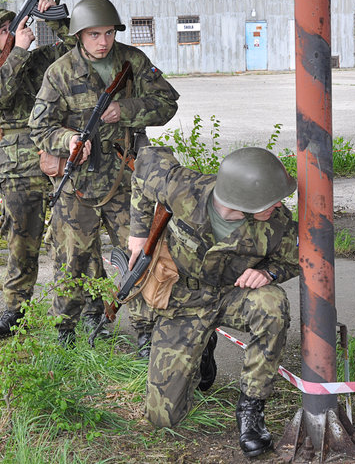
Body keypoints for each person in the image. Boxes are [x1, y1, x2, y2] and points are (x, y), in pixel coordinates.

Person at [128, 146, 299, 458]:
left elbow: (294, 259)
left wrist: (269, 272)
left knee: (272, 304)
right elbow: (144, 163)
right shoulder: (184, 189)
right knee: (162, 417)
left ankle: (251, 408)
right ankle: (203, 348)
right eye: (271, 199)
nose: (279, 204)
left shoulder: (277, 222)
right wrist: (138, 234)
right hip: (185, 301)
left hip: (234, 296)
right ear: (242, 199)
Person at [29, 0, 179, 351]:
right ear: (79, 35)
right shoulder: (60, 72)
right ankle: (65, 329)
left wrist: (123, 110)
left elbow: (167, 103)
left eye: (109, 33)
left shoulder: (132, 61)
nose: (103, 42)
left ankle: (147, 332)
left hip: (125, 181)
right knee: (71, 259)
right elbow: (39, 126)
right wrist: (68, 141)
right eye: (94, 34)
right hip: (76, 184)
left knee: (141, 256)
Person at [0, 0, 106, 339]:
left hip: (61, 154)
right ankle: (16, 309)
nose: (13, 32)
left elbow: (79, 53)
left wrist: (57, 19)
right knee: (21, 239)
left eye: (13, 26)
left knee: (78, 237)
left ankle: (94, 308)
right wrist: (17, 50)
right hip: (18, 166)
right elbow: (0, 94)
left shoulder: (45, 60)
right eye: (4, 30)